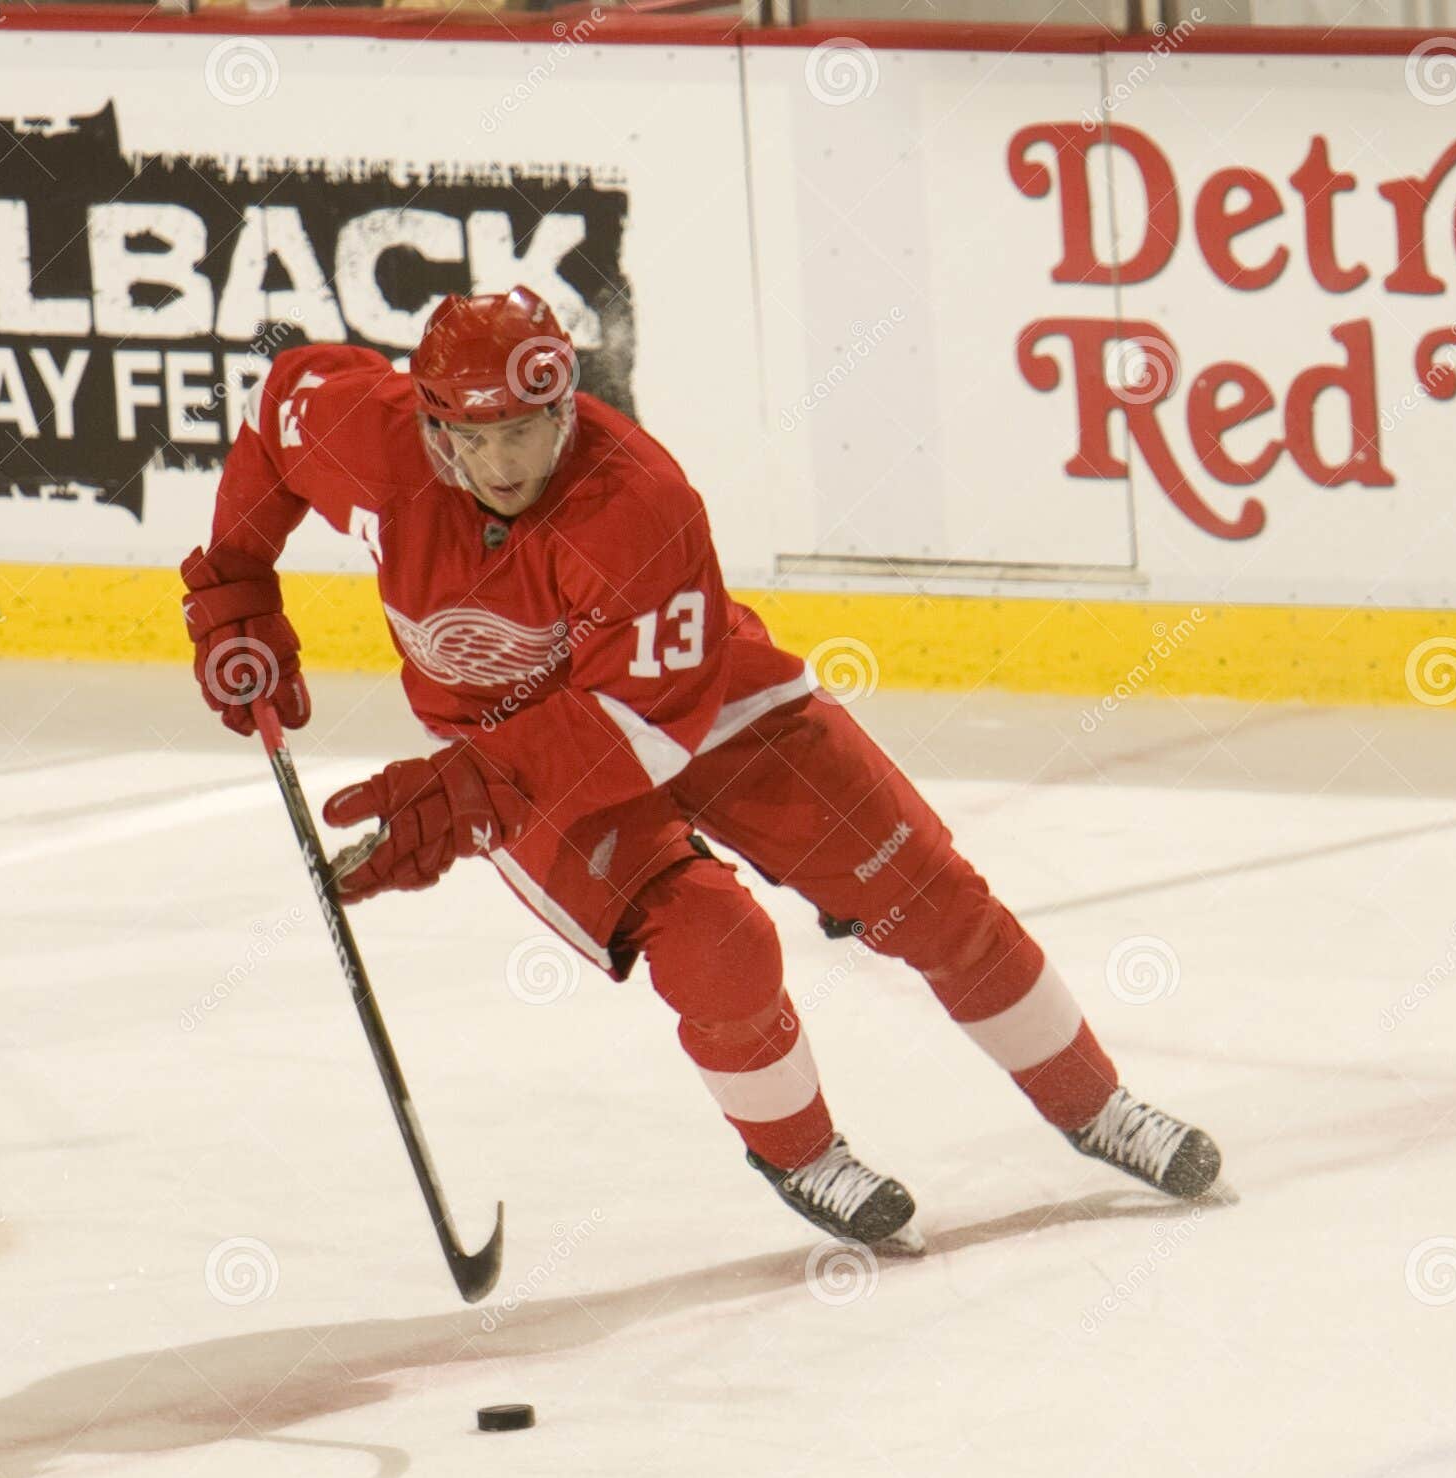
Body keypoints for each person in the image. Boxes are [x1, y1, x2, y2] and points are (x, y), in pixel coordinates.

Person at [180, 285, 1222, 1257]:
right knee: (717, 944)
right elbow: (279, 412)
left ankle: (1095, 1104)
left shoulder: (639, 504)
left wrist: (468, 795)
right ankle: (803, 1152)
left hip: (688, 703)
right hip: (514, 741)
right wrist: (234, 594)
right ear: (430, 421)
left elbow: (641, 725)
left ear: (567, 409)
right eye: (475, 436)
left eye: (525, 432)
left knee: (928, 894)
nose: (501, 463)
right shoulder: (367, 432)